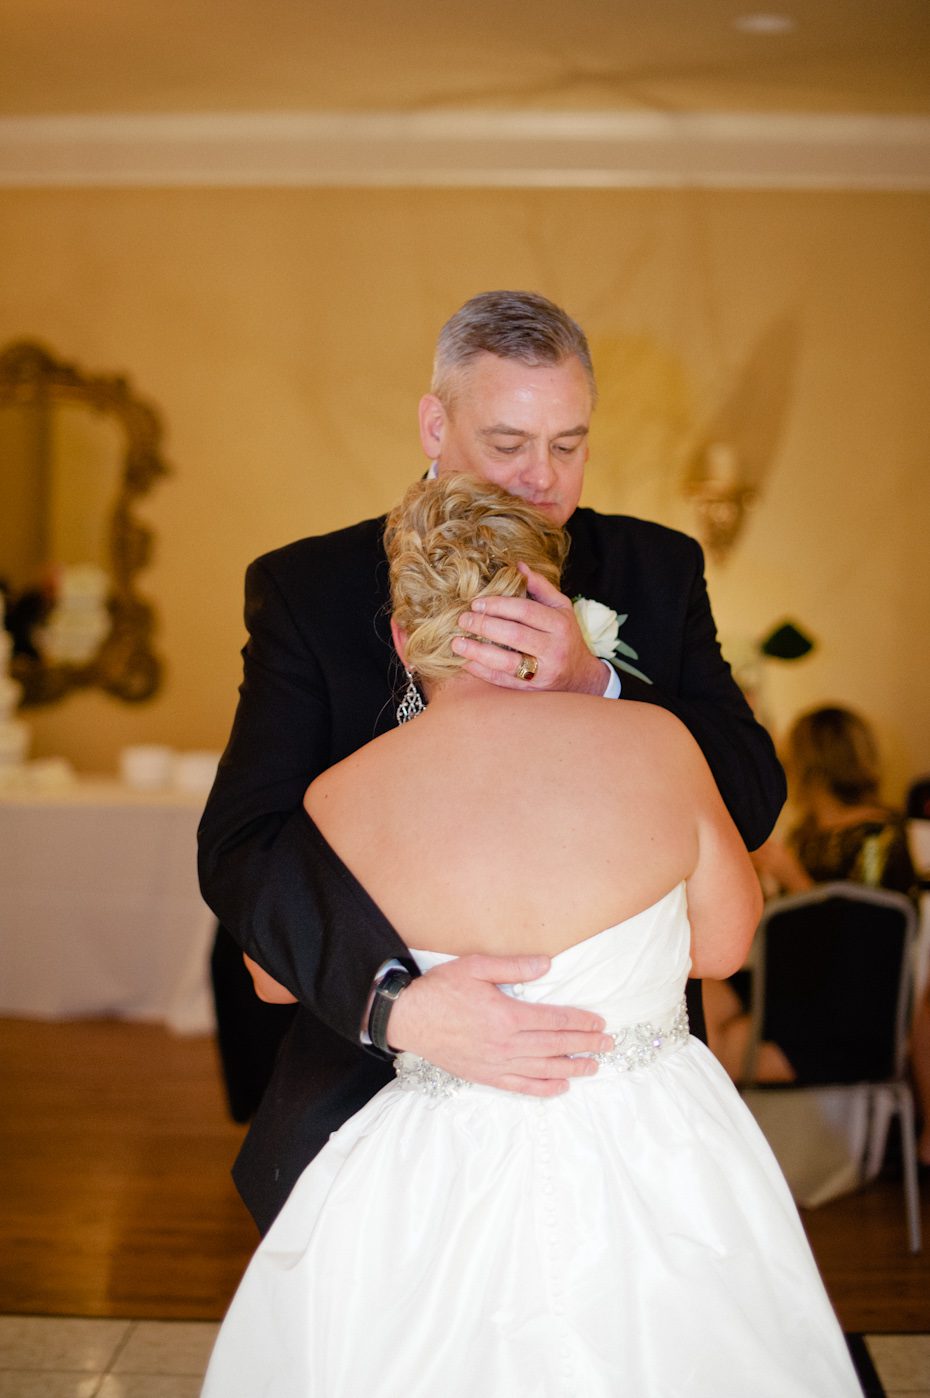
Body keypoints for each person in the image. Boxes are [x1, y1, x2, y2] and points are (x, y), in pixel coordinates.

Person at [200, 475, 858, 1397]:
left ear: (400, 638)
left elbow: (272, 977)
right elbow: (725, 946)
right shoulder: (659, 745)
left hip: (438, 1160)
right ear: (554, 612)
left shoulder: (341, 795)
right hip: (654, 1148)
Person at [197, 289, 786, 1234]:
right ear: (436, 421)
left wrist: (599, 686)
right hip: (379, 1098)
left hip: (622, 1105)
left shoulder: (654, 570)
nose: (540, 479)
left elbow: (751, 797)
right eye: (508, 442)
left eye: (568, 444)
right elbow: (243, 846)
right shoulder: (310, 589)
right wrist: (397, 1009)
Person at [705, 705, 918, 1082]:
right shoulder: (806, 834)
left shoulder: (878, 834)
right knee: (699, 999)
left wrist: (795, 878)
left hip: (840, 999)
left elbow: (863, 939)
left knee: (721, 1047)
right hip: (794, 979)